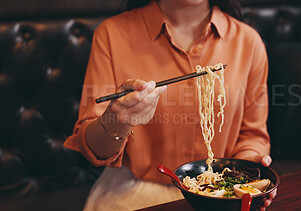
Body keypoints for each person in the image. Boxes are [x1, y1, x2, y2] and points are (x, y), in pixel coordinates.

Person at [64, 0, 277, 210]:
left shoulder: (248, 41)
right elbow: (92, 149)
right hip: (133, 193)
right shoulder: (111, 34)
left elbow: (252, 135)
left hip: (218, 193)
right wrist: (117, 121)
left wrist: (249, 172)